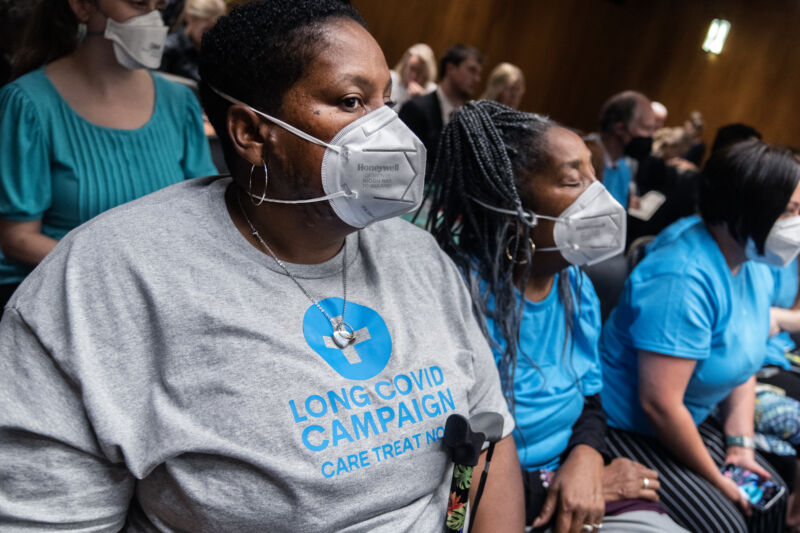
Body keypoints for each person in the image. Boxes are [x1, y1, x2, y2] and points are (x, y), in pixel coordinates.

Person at [0, 1, 525, 531]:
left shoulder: (420, 258)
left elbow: (489, 437)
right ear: (252, 133)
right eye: (350, 101)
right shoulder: (104, 282)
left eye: (385, 103)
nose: (388, 131)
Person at [425, 100, 688, 533]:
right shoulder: (452, 297)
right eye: (573, 181)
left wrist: (586, 458)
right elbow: (451, 489)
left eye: (594, 177)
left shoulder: (575, 285)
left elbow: (590, 398)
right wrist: (559, 485)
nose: (598, 197)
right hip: (498, 507)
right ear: (510, 204)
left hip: (572, 478)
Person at [600, 139, 798, 532]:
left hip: (689, 413)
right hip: (627, 427)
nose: (798, 222)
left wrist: (740, 446)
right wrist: (715, 479)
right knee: (729, 522)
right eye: (791, 210)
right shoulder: (682, 275)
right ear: (747, 209)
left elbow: (744, 362)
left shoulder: (751, 258)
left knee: (769, 499)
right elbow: (659, 405)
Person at [0, 0, 217, 312]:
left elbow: (203, 212)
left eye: (162, 6)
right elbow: (18, 239)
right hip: (61, 302)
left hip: (160, 299)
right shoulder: (28, 104)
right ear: (83, 7)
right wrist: (126, 272)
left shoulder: (179, 102)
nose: (154, 18)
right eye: (140, 3)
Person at [398, 43, 482, 171]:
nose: (477, 79)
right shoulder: (415, 109)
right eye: (472, 70)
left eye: (478, 73)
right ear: (450, 68)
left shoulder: (471, 120)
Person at [597, 90, 656, 210]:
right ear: (620, 128)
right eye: (646, 128)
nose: (650, 136)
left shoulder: (625, 167)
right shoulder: (583, 159)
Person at [160, 0, 227, 81]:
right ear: (190, 18)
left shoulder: (217, 53)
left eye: (216, 31)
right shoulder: (168, 50)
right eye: (206, 30)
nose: (211, 36)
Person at [389, 43, 437, 111]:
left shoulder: (431, 91)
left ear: (427, 74)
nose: (414, 76)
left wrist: (422, 101)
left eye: (420, 71)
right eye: (412, 68)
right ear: (404, 66)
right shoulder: (390, 78)